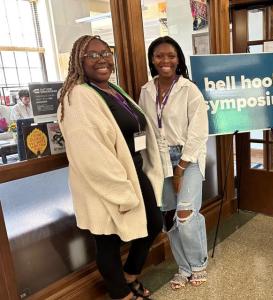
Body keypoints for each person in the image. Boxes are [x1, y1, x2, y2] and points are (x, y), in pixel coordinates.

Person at [57, 35, 164, 300]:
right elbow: (91, 155)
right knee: (108, 239)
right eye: (92, 55)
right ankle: (120, 294)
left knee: (153, 223)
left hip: (134, 173)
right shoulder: (78, 96)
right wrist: (121, 191)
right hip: (104, 182)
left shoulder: (112, 90)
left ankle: (129, 277)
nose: (102, 59)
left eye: (105, 53)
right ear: (78, 61)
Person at [139, 36, 208, 290]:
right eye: (159, 56)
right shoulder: (146, 90)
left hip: (186, 157)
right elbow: (147, 127)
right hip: (158, 160)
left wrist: (181, 167)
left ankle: (198, 264)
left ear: (178, 59)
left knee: (186, 214)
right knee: (169, 217)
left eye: (171, 55)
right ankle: (184, 267)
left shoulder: (189, 89)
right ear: (152, 60)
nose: (165, 60)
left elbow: (199, 132)